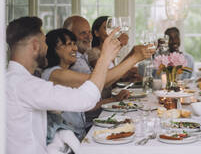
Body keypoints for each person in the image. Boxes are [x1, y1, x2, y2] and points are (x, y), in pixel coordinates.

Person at [6, 16, 121, 154]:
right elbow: (86, 99)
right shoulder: (24, 85)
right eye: (44, 42)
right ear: (36, 46)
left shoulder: (10, 80)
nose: (47, 47)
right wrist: (105, 57)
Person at [62, 15, 154, 134]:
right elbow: (101, 82)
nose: (89, 36)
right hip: (88, 123)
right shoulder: (79, 61)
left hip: (95, 117)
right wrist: (134, 58)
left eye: (88, 32)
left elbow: (104, 79)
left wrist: (133, 55)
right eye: (83, 33)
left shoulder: (82, 56)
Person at [42, 28, 132, 141]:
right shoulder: (55, 74)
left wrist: (113, 99)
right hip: (65, 141)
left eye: (74, 43)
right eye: (69, 44)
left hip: (78, 134)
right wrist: (135, 58)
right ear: (54, 49)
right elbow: (98, 82)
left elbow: (83, 103)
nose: (75, 48)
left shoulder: (63, 72)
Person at [90, 15, 141, 81]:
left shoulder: (109, 51)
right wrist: (127, 71)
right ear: (96, 33)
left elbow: (115, 71)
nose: (111, 31)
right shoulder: (93, 52)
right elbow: (106, 77)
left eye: (112, 28)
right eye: (106, 28)